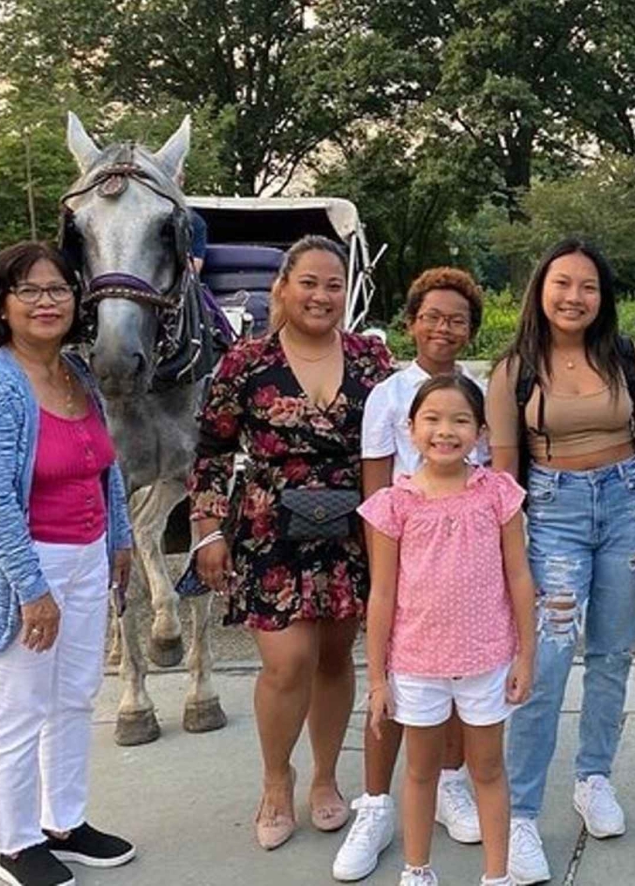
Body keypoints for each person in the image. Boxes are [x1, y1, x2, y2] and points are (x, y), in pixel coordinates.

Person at [188, 235, 394, 851]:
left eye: (334, 285)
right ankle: (277, 781)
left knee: (334, 657)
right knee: (287, 662)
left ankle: (326, 777)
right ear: (283, 287)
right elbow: (211, 452)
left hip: (352, 531)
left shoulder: (371, 360)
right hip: (269, 529)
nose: (321, 296)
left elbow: (406, 437)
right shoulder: (246, 361)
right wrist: (208, 531)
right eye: (309, 282)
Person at [0, 241, 137, 886]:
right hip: (23, 570)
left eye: (58, 288)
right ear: (1, 305)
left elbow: (103, 468)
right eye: (28, 290)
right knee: (20, 708)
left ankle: (65, 821)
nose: (46, 302)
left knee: (75, 696)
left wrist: (119, 540)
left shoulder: (78, 374)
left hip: (86, 559)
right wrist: (33, 590)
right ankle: (15, 842)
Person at [485, 239, 635, 885]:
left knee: (613, 653)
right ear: (540, 289)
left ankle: (594, 776)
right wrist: (511, 553)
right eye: (562, 283)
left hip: (627, 507)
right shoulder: (514, 369)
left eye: (588, 286)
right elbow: (503, 473)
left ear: (603, 296)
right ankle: (521, 814)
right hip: (554, 513)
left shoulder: (627, 356)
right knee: (546, 662)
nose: (574, 297)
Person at [335, 268, 489, 880]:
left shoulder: (479, 392)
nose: (442, 328)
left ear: (471, 329)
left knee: (455, 679)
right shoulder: (388, 395)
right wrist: (385, 577)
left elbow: (488, 484)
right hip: (404, 565)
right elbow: (376, 492)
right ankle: (375, 804)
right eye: (431, 317)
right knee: (392, 687)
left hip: (463, 569)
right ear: (411, 322)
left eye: (456, 319)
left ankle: (450, 782)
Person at [360, 374, 535, 886]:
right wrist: (377, 678)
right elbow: (382, 593)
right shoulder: (395, 503)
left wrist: (526, 654)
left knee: (488, 769)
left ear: (480, 432)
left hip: (487, 658)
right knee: (420, 771)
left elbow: (519, 576)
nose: (445, 431)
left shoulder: (497, 494)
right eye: (432, 419)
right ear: (411, 429)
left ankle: (497, 875)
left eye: (460, 420)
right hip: (417, 662)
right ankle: (417, 871)